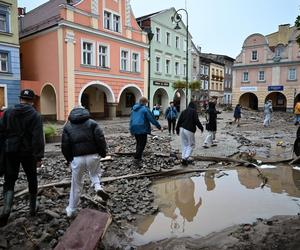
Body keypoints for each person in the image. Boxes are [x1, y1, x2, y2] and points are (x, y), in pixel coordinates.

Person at [0, 89, 44, 227]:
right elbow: (37, 138)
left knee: (10, 179)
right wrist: (38, 157)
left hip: (10, 151)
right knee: (32, 178)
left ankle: (6, 210)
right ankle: (32, 208)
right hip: (28, 152)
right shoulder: (35, 115)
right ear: (32, 101)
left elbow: (1, 132)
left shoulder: (7, 112)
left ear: (20, 99)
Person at [61, 106, 108, 218]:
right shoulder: (92, 123)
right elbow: (100, 138)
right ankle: (98, 187)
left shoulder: (68, 126)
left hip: (77, 158)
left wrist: (69, 159)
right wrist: (102, 153)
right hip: (93, 155)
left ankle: (71, 210)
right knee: (95, 173)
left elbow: (65, 145)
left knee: (76, 183)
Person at [130, 97, 162, 165]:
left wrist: (131, 129)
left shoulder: (134, 109)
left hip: (134, 128)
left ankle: (138, 157)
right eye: (146, 102)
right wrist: (159, 126)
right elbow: (152, 119)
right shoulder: (145, 109)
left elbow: (131, 120)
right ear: (145, 102)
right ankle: (137, 158)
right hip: (142, 128)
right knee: (142, 143)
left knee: (138, 142)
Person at [176, 101, 203, 166]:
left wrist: (177, 129)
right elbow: (197, 121)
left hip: (182, 129)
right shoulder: (194, 111)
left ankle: (183, 158)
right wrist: (201, 127)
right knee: (191, 145)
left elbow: (179, 121)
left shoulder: (184, 111)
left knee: (184, 145)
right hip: (189, 129)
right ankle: (185, 158)